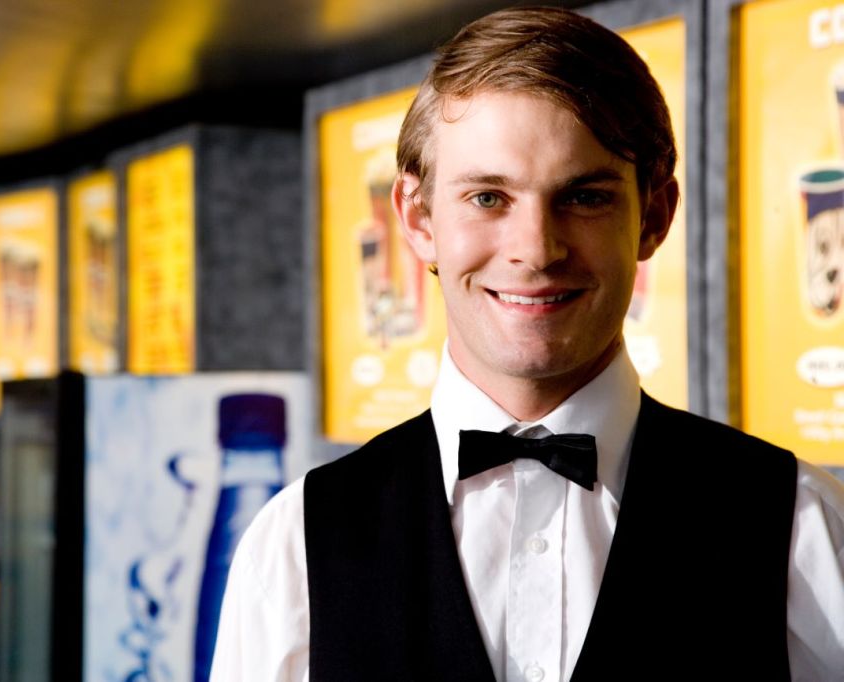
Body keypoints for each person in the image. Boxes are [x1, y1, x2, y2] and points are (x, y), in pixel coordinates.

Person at [210, 7, 844, 681]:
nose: (536, 250)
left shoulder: (801, 529)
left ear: (654, 216)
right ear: (418, 219)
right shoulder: (294, 547)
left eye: (585, 197)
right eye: (488, 198)